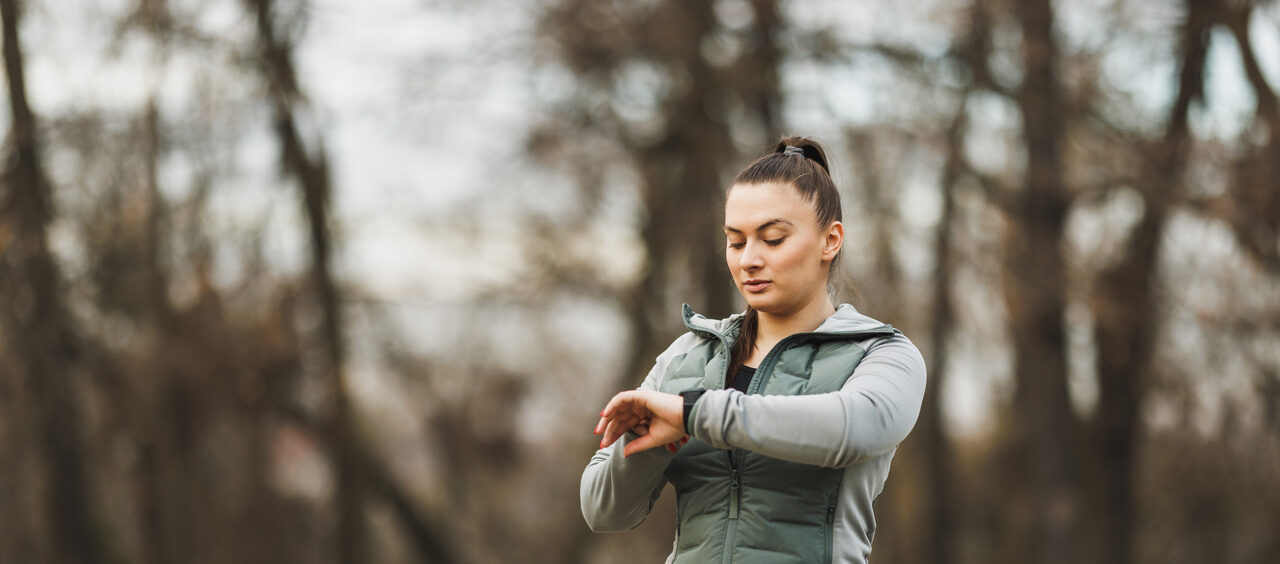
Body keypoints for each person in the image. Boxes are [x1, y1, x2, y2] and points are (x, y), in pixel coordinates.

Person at [580, 136, 928, 563]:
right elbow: (602, 510)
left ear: (830, 240)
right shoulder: (690, 354)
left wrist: (695, 413)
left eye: (773, 239)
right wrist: (651, 441)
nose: (749, 260)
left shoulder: (881, 354)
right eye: (737, 241)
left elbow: (853, 429)